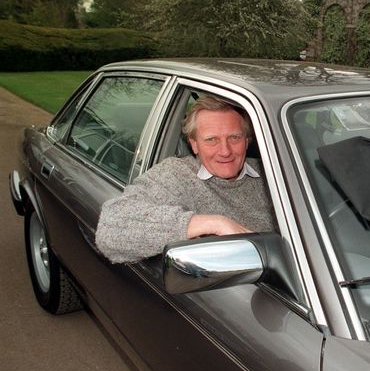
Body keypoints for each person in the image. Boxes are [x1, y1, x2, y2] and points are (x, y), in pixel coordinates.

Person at [96, 95, 275, 263]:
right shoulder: (176, 175)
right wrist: (215, 223)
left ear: (247, 140)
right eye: (211, 139)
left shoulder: (273, 171)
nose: (225, 151)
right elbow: (111, 227)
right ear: (194, 144)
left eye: (234, 137)